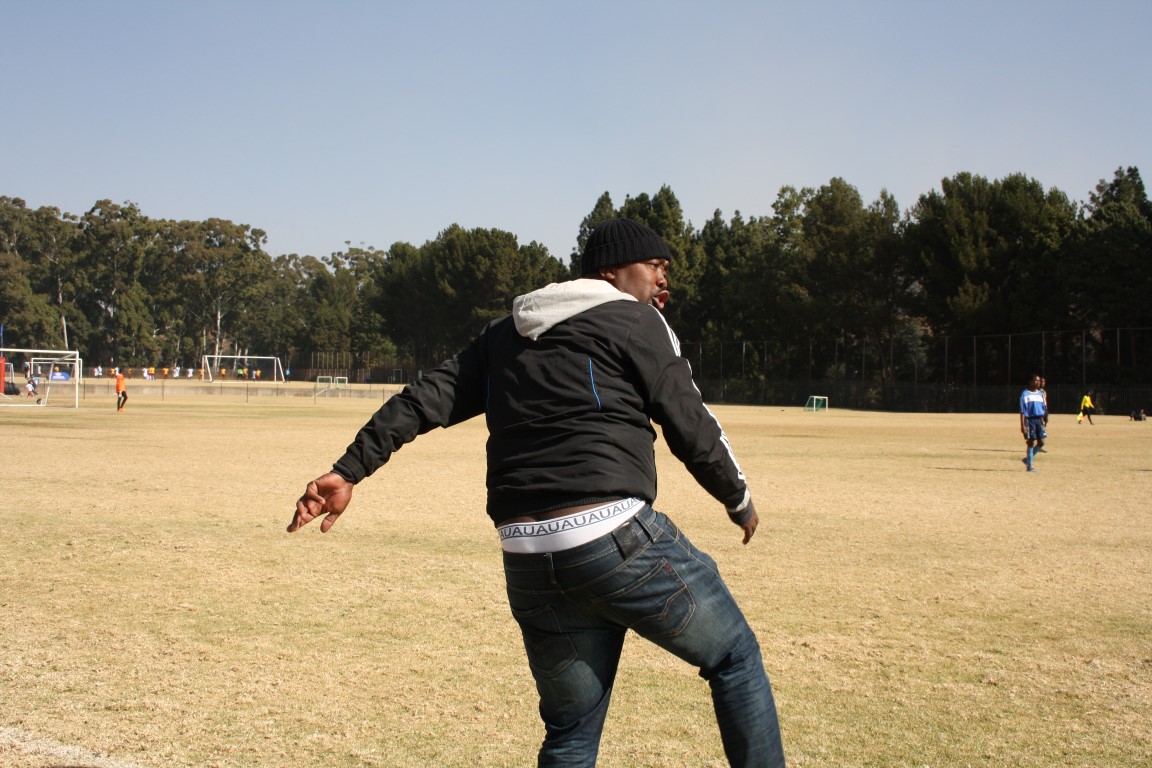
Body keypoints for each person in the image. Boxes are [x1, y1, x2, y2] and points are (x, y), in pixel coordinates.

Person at [288, 218, 786, 767]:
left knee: (571, 734)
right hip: (614, 538)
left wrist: (349, 470)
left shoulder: (505, 333)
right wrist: (737, 498)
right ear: (611, 271)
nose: (663, 279)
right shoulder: (635, 319)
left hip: (527, 556)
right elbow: (689, 419)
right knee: (735, 657)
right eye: (654, 266)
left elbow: (424, 398)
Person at [1020, 373, 1047, 472]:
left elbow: (1043, 407)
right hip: (1029, 419)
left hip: (1039, 420)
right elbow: (1022, 411)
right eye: (1036, 380)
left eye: (1039, 381)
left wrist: (1043, 419)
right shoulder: (1025, 394)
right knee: (1031, 442)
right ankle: (1030, 466)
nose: (1038, 382)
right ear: (1031, 382)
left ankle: (1027, 459)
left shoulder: (1040, 394)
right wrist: (1022, 425)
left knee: (1041, 442)